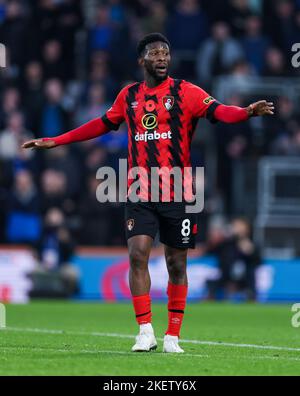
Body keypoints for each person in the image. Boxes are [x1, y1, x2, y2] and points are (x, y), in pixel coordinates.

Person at [22, 33, 274, 353]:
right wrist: (56, 140)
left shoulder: (186, 92)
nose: (162, 57)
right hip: (140, 188)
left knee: (176, 264)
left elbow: (220, 111)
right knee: (137, 254)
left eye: (166, 52)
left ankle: (172, 336)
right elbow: (99, 124)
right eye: (155, 52)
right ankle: (145, 330)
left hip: (178, 192)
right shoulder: (128, 96)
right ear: (142, 60)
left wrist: (247, 111)